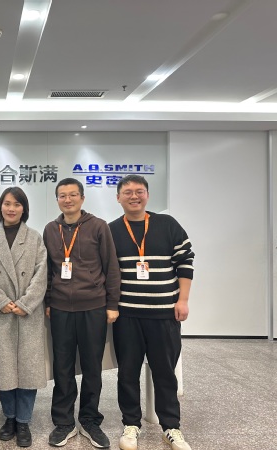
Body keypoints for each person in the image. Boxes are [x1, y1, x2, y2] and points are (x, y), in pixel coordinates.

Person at [108, 175, 194, 450]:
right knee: (127, 373)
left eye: (139, 191)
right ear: (118, 197)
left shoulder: (167, 224)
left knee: (165, 373)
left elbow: (185, 262)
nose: (134, 196)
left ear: (147, 195)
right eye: (128, 192)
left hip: (163, 314)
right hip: (127, 315)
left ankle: (171, 427)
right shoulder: (111, 230)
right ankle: (131, 425)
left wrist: (183, 300)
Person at [43, 178, 120, 449]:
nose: (68, 200)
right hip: (61, 308)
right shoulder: (50, 229)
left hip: (93, 307)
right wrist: (48, 301)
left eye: (73, 195)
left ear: (82, 198)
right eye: (62, 196)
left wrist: (112, 304)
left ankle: (89, 420)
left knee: (91, 367)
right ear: (57, 200)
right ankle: (63, 422)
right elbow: (48, 270)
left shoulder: (98, 226)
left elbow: (111, 267)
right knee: (62, 367)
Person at [0, 187, 47, 448]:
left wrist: (25, 303)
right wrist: (2, 302)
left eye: (17, 204)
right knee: (4, 368)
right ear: (0, 207)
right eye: (7, 203)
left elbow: (42, 273)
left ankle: (24, 421)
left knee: (28, 370)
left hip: (27, 313)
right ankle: (9, 417)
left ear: (24, 209)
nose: (11, 208)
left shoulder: (35, 238)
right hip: (1, 313)